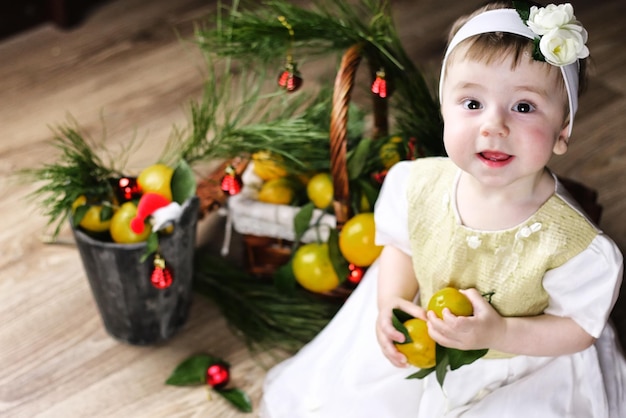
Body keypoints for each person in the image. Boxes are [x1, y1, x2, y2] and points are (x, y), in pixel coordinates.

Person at [259, 1, 626, 416]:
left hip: (519, 360)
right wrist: (391, 306)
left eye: (523, 107)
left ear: (563, 131)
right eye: (472, 104)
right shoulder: (418, 185)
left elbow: (577, 330)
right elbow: (401, 248)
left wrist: (499, 331)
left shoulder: (571, 243)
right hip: (425, 336)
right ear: (444, 111)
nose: (494, 126)